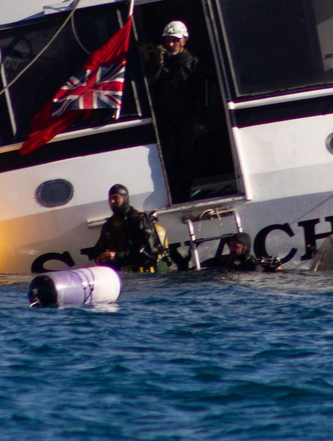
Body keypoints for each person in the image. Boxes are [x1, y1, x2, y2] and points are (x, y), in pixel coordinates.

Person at [143, 20, 222, 199]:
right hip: (166, 124)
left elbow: (206, 96)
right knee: (168, 162)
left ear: (184, 41)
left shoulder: (196, 66)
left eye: (175, 40)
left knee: (187, 162)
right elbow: (147, 88)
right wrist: (157, 63)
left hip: (188, 123)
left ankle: (185, 195)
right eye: (167, 40)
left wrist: (201, 121)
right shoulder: (161, 66)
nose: (170, 44)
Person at [84, 183, 165, 272]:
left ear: (125, 198)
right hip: (120, 276)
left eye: (116, 198)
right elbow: (98, 250)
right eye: (110, 199)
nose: (112, 202)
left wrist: (118, 256)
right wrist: (100, 257)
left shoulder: (139, 221)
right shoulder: (109, 225)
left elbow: (150, 253)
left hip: (143, 276)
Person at [202, 231, 279, 272]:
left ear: (245, 247)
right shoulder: (225, 260)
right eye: (231, 246)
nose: (232, 249)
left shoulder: (254, 265)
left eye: (236, 246)